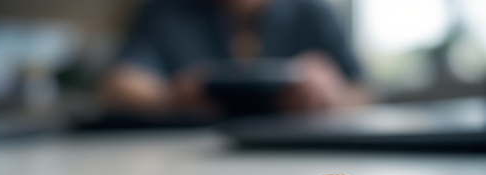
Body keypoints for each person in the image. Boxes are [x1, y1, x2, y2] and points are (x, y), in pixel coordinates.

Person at [100, 0, 372, 115]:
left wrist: (332, 91)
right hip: (188, 162)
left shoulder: (312, 10)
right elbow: (115, 84)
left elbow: (364, 91)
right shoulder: (167, 10)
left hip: (302, 155)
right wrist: (170, 96)